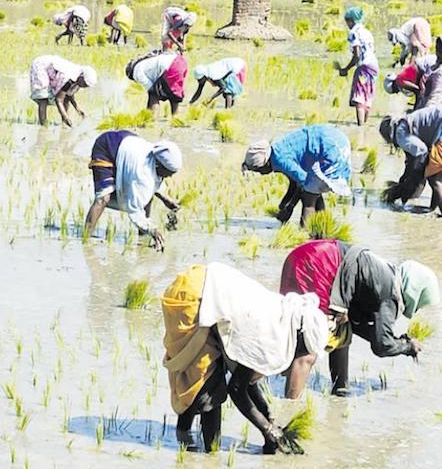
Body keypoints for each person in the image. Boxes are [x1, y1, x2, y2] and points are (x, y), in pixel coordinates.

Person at [162, 263, 328, 454]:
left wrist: (268, 417)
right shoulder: (271, 334)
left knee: (202, 379)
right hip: (192, 296)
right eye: (303, 350)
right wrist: (267, 429)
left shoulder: (284, 319)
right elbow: (237, 388)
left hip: (205, 286)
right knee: (207, 384)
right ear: (299, 339)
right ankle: (209, 455)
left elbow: (247, 379)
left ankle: (186, 436)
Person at [280, 240, 438, 397]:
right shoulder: (391, 293)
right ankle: (290, 409)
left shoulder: (387, 276)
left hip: (311, 255)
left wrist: (397, 341)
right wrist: (407, 347)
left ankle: (340, 391)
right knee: (310, 344)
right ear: (416, 293)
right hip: (317, 264)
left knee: (342, 330)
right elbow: (382, 346)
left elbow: (358, 325)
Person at [84, 131, 181, 251]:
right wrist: (152, 230)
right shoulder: (141, 175)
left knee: (147, 196)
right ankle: (85, 239)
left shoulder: (155, 160)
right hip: (107, 148)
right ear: (160, 166)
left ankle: (142, 234)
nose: (170, 176)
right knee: (103, 198)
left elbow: (154, 182)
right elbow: (134, 210)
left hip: (127, 142)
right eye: (169, 173)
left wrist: (165, 198)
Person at [242, 125, 352, 226]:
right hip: (335, 138)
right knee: (314, 190)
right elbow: (295, 182)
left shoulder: (281, 161)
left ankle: (305, 236)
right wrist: (284, 204)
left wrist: (290, 207)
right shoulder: (278, 152)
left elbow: (304, 182)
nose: (261, 174)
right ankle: (321, 230)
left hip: (332, 147)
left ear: (265, 163)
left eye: (258, 170)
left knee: (309, 197)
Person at [379, 106, 442, 212]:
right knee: (436, 176)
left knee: (434, 179)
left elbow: (421, 152)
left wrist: (408, 185)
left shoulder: (400, 134)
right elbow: (412, 160)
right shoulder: (408, 123)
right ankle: (431, 209)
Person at [337, 7, 379, 126]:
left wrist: (346, 68)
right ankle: (364, 124)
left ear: (351, 21)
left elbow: (357, 54)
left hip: (364, 67)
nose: (347, 25)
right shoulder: (367, 32)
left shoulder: (354, 33)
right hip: (374, 66)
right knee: (368, 95)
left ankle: (360, 126)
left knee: (359, 96)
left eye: (347, 22)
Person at [29, 55, 96, 127]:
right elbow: (59, 99)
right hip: (41, 66)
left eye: (86, 85)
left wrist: (78, 109)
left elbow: (69, 95)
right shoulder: (69, 78)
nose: (84, 86)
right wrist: (66, 117)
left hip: (52, 68)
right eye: (84, 83)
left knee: (66, 99)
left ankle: (64, 124)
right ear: (81, 76)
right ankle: (43, 125)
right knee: (43, 97)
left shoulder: (78, 79)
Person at [126, 51, 188, 115]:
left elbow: (150, 87)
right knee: (174, 95)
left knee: (153, 95)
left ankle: (152, 119)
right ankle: (176, 119)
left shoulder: (136, 72)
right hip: (180, 61)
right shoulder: (145, 63)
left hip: (169, 67)